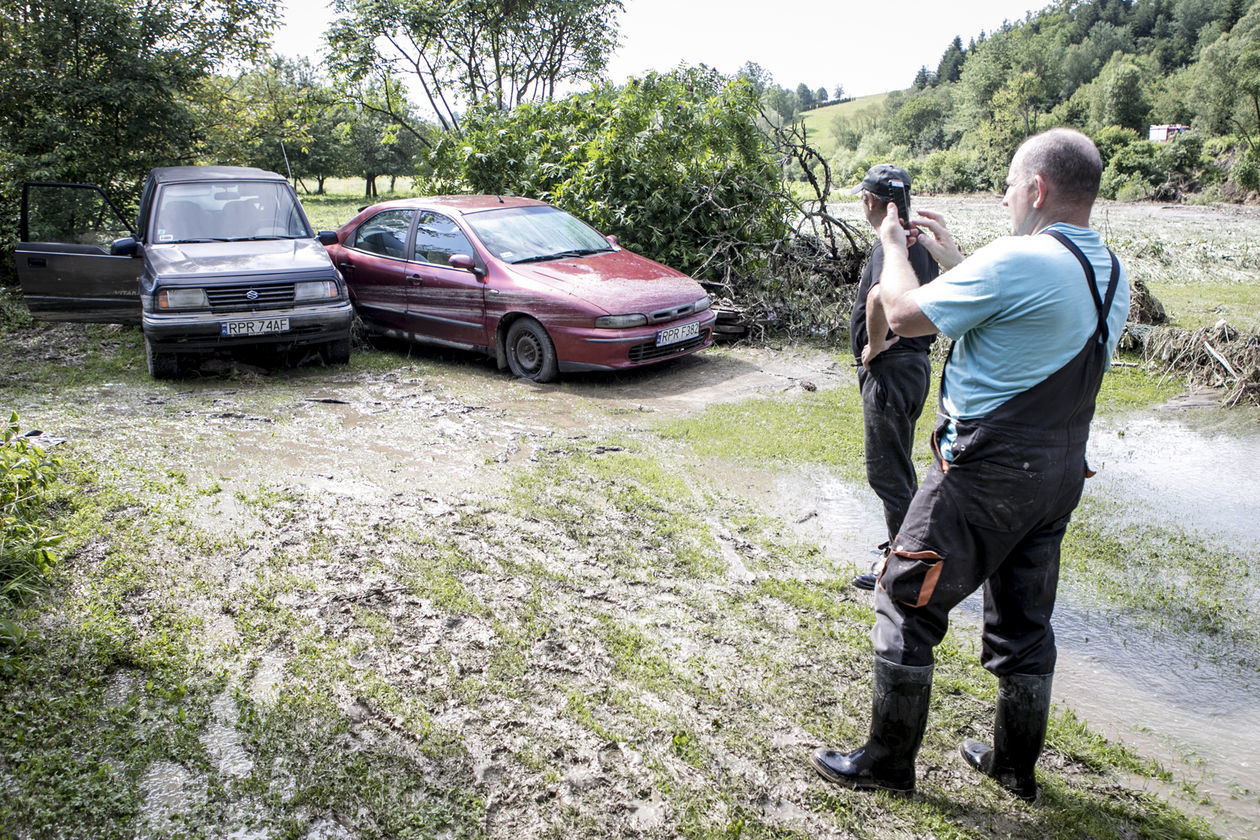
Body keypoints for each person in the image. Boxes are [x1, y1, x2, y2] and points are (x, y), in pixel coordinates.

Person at [810, 128, 1130, 802]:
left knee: (903, 596)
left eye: (1011, 184)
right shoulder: (1106, 269)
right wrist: (955, 256)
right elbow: (1013, 317)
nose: (1008, 197)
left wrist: (895, 248)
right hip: (1059, 471)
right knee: (1023, 621)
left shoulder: (1021, 258)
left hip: (984, 470)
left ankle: (887, 761)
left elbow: (901, 312)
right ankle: (1014, 768)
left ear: (1037, 188)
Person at [848, 165, 938, 591]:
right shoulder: (916, 241)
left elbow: (878, 296)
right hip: (914, 368)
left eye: (863, 199)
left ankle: (903, 571)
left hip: (893, 370)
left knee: (887, 474)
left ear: (872, 202)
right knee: (899, 468)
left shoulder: (893, 242)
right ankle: (900, 548)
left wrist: (877, 345)